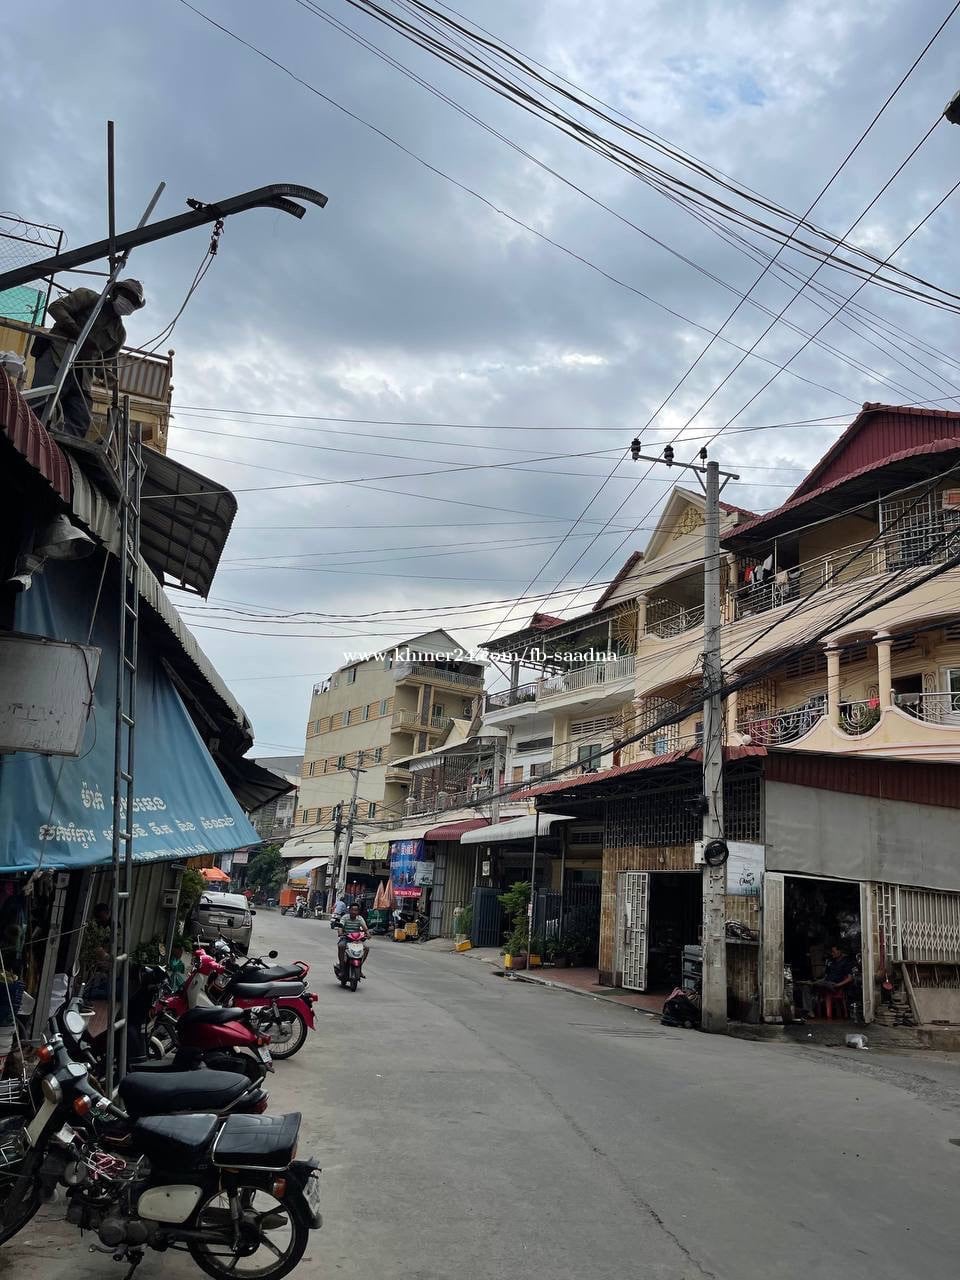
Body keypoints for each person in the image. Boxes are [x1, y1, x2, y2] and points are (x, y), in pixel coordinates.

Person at [29, 279, 146, 437]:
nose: (128, 303)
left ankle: (60, 446)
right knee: (40, 402)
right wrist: (78, 333)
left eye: (133, 302)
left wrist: (106, 375)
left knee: (80, 418)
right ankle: (30, 434)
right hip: (58, 355)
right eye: (127, 297)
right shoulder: (89, 298)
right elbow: (56, 307)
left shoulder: (119, 333)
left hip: (82, 375)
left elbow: (104, 362)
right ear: (116, 292)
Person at [337, 902, 370, 977]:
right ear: (349, 910)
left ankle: (360, 967)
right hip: (346, 938)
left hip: (357, 939)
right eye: (352, 910)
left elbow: (365, 928)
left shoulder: (360, 918)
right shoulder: (345, 917)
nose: (354, 912)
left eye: (356, 910)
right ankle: (342, 968)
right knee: (341, 946)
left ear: (358, 911)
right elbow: (340, 927)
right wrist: (340, 932)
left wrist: (368, 934)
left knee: (366, 948)